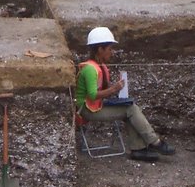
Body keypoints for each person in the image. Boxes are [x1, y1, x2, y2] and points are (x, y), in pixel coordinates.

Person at [75, 26, 175, 162]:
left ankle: (139, 148)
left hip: (95, 106)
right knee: (130, 109)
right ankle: (153, 142)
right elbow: (92, 95)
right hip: (87, 110)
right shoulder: (91, 70)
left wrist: (115, 91)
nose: (112, 52)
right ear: (100, 49)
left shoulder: (97, 67)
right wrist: (114, 89)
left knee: (129, 107)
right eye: (109, 49)